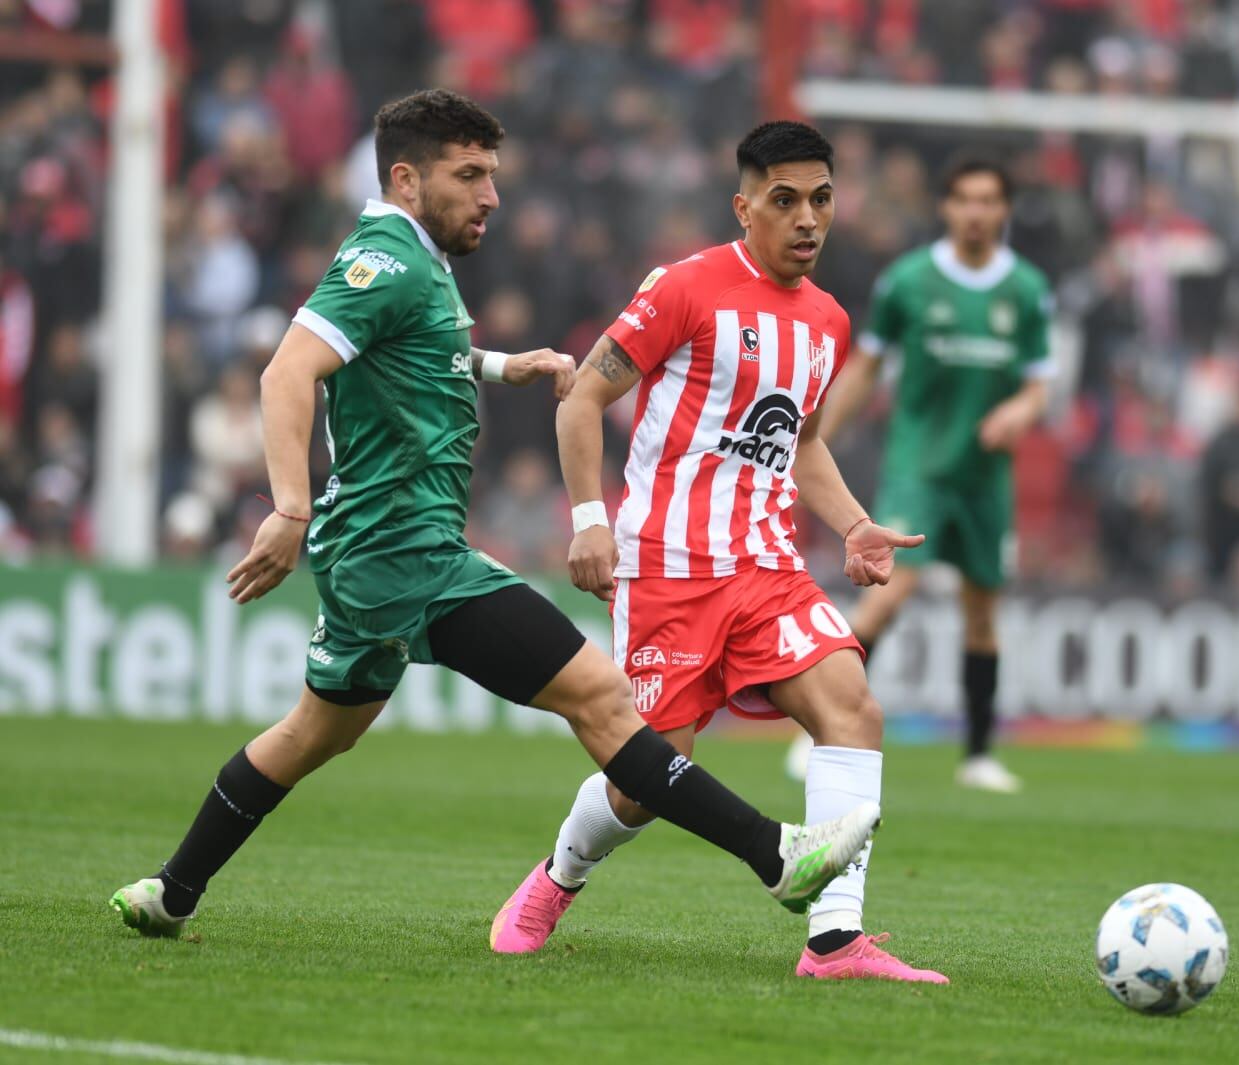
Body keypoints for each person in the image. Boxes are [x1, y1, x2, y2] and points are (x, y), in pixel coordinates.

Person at [110, 90, 877, 939]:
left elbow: (402, 349)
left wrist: (501, 364)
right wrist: (289, 506)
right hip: (410, 556)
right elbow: (287, 372)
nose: (490, 196)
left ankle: (171, 890)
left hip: (378, 558)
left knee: (310, 735)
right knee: (601, 696)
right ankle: (778, 857)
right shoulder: (387, 260)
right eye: (470, 175)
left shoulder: (411, 259)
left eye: (493, 175)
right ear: (406, 180)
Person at [491, 121, 946, 984]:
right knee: (643, 781)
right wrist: (590, 518)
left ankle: (835, 940)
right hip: (667, 564)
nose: (807, 218)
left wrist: (851, 523)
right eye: (785, 200)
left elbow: (800, 444)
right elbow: (582, 398)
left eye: (821, 198)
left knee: (852, 706)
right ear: (745, 208)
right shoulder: (684, 288)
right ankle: (561, 874)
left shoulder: (829, 322)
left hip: (767, 564)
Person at [792, 157, 1056, 794]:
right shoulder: (909, 282)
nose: (975, 211)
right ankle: (822, 733)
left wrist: (1020, 410)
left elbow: (1040, 383)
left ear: (1003, 211)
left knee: (982, 611)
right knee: (888, 593)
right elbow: (866, 369)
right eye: (964, 198)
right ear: (946, 207)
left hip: (984, 478)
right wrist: (817, 435)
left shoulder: (1025, 289)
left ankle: (979, 755)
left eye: (987, 200)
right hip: (918, 469)